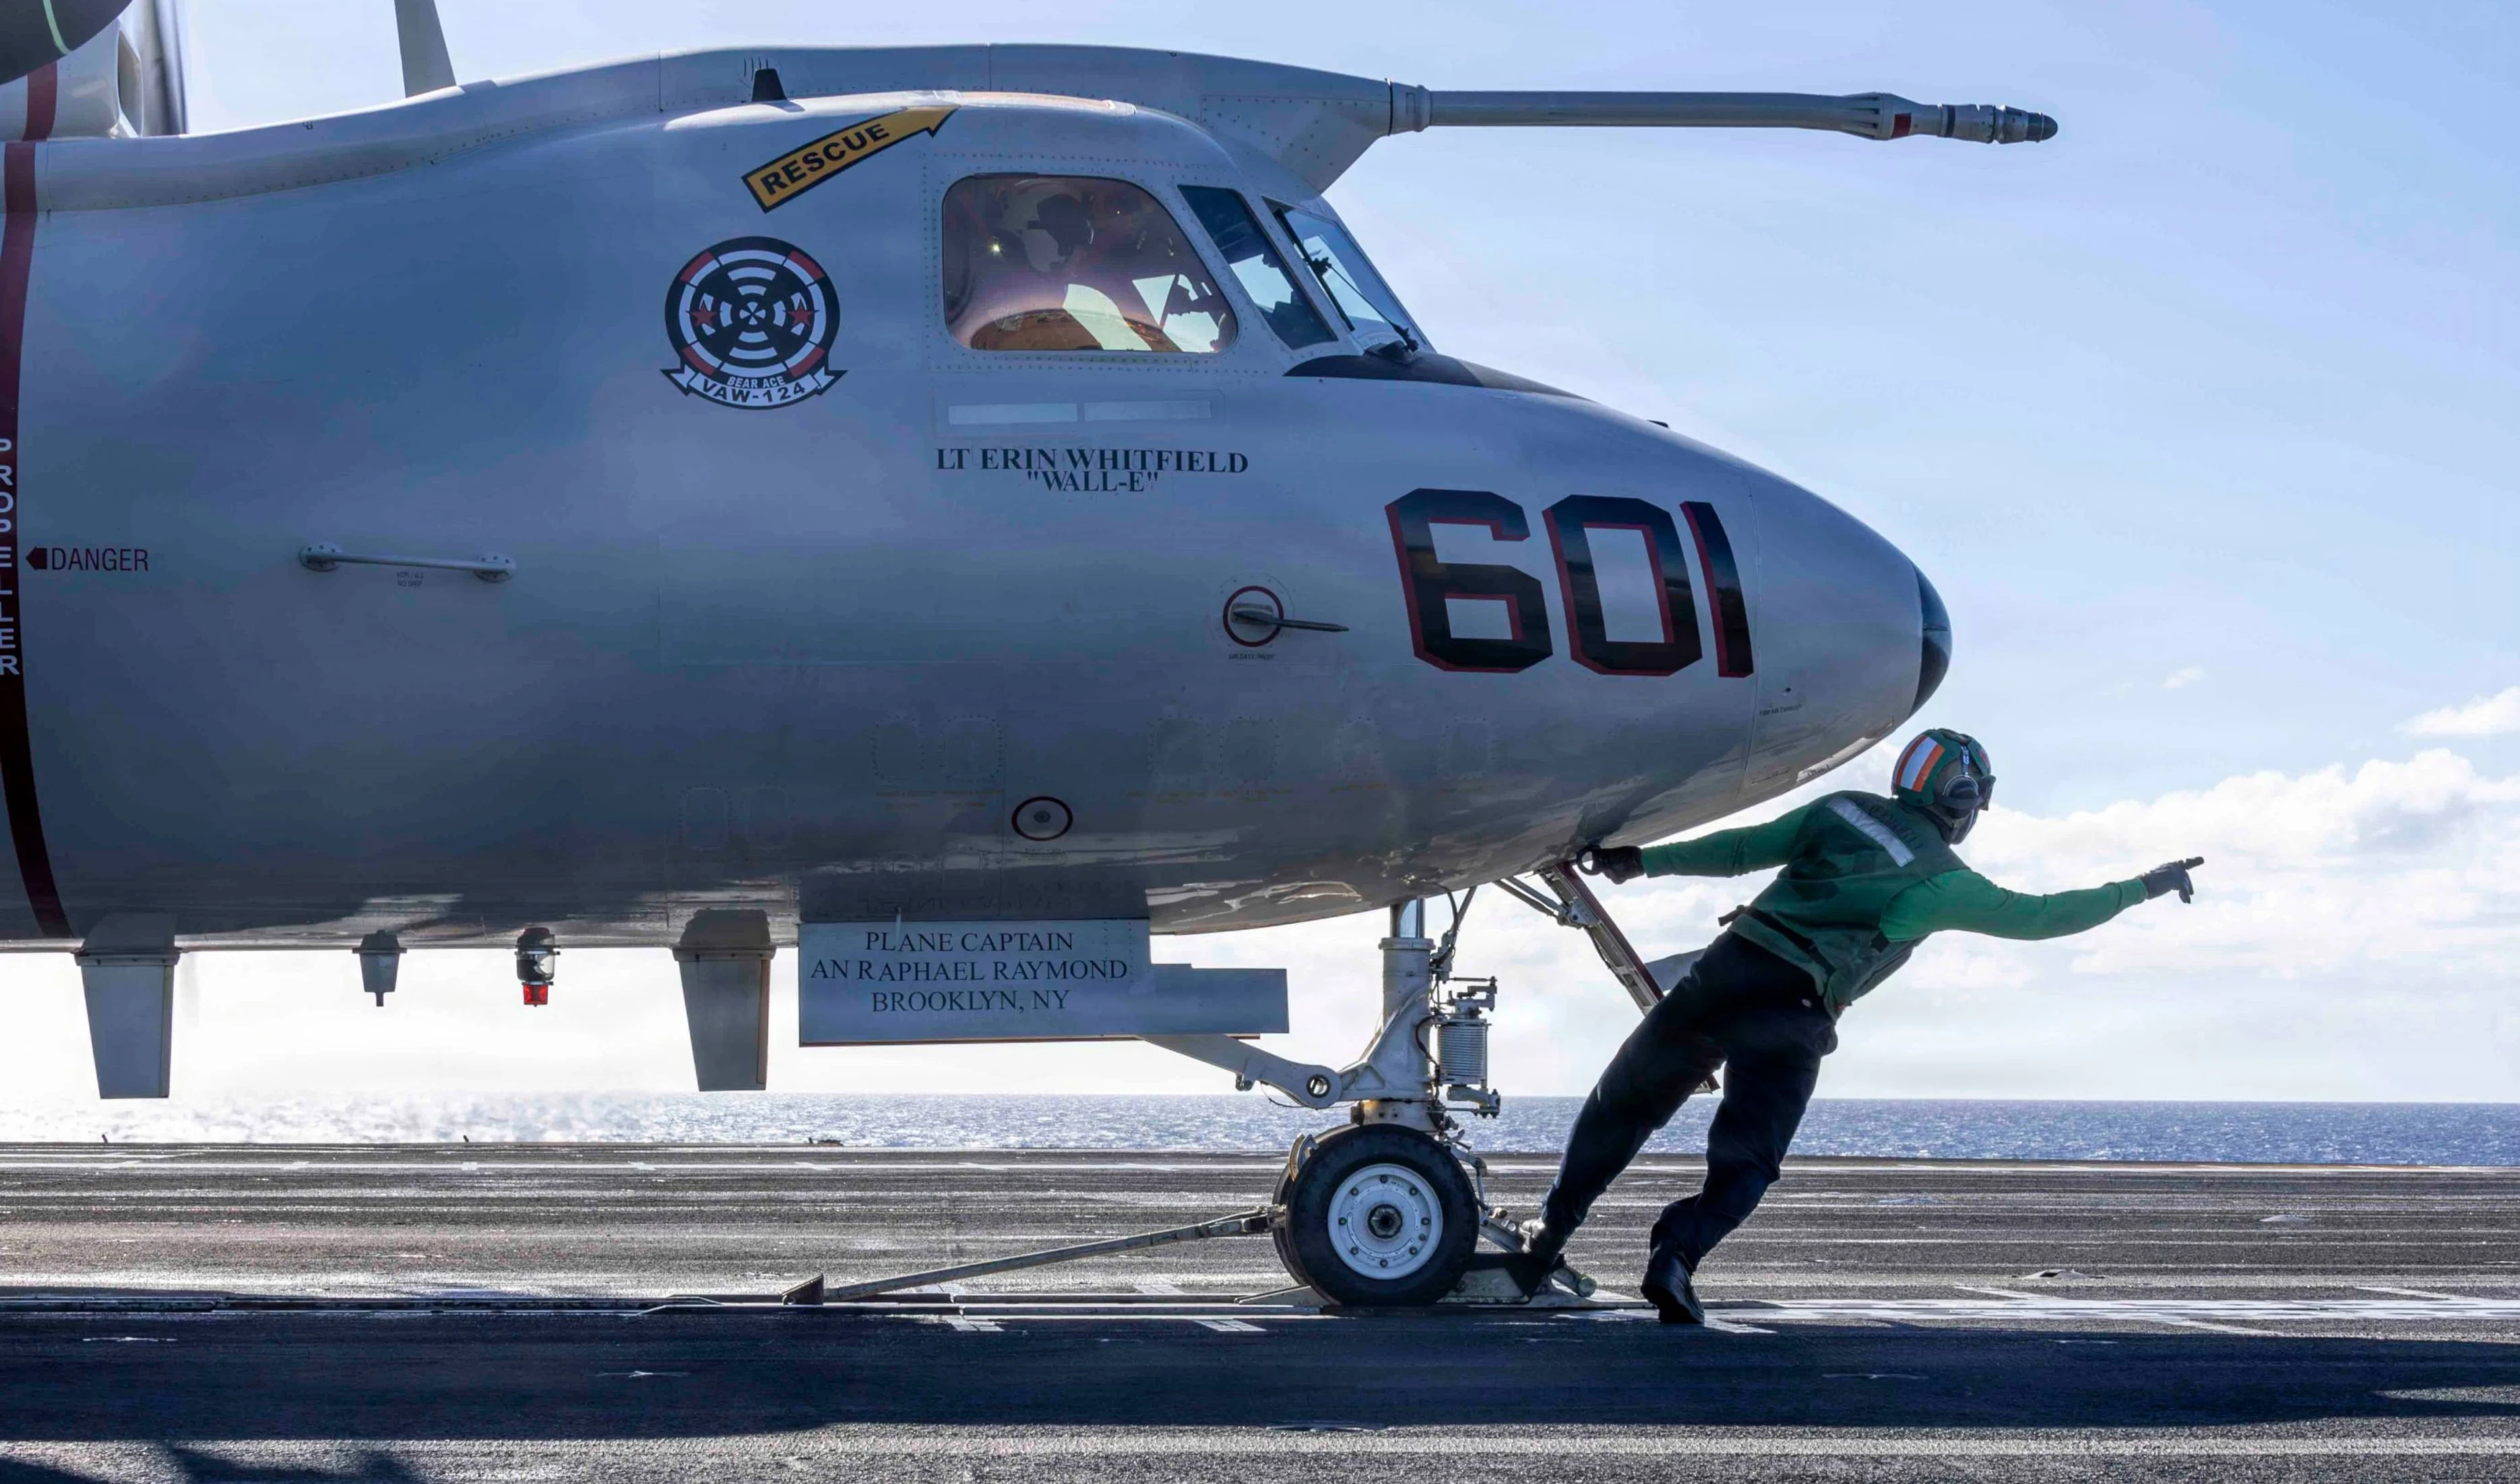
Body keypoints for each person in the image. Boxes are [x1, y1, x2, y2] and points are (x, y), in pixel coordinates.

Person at [1519, 729, 2204, 1324]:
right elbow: (2045, 916)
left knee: (1622, 1106)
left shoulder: (1839, 810)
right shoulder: (1942, 883)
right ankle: (1677, 1254)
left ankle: (1549, 1235)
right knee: (1748, 1161)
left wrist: (1638, 860)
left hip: (1725, 974)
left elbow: (1739, 849)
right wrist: (2143, 885)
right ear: (1963, 799)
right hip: (1796, 1014)